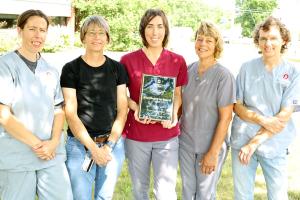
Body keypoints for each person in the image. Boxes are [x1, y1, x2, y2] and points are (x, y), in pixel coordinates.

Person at [0, 9, 72, 200]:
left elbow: (58, 110)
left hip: (51, 154)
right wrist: (39, 146)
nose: (38, 35)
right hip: (17, 156)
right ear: (19, 30)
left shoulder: (50, 70)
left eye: (42, 30)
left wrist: (54, 143)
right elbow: (3, 115)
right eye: (32, 29)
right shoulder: (5, 66)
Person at [120, 8, 188, 200]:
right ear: (143, 30)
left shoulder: (177, 60)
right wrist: (136, 108)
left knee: (165, 192)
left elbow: (177, 95)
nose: (155, 32)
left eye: (160, 26)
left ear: (166, 30)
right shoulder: (127, 60)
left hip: (167, 136)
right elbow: (121, 96)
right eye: (150, 26)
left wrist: (173, 114)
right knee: (139, 190)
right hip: (137, 135)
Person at [230, 16, 300, 200]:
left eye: (273, 38)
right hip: (242, 141)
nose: (267, 43)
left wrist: (254, 143)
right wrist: (262, 119)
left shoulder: (293, 74)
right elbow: (237, 106)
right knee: (242, 196)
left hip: (275, 145)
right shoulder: (246, 69)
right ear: (258, 41)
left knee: (278, 196)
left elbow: (283, 117)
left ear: (283, 40)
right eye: (263, 38)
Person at [60, 15, 128, 200]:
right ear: (83, 37)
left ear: (107, 37)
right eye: (91, 33)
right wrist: (93, 149)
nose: (96, 37)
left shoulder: (117, 69)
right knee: (79, 197)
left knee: (104, 197)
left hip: (112, 145)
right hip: (79, 146)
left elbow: (122, 110)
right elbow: (71, 114)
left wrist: (108, 146)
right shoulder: (71, 69)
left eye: (101, 33)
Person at [179, 21, 236, 199]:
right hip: (186, 144)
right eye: (199, 39)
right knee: (188, 192)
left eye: (209, 40)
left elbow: (226, 118)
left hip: (210, 145)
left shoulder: (224, 76)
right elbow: (179, 108)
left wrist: (213, 152)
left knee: (204, 194)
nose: (203, 44)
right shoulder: (187, 70)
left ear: (216, 45)